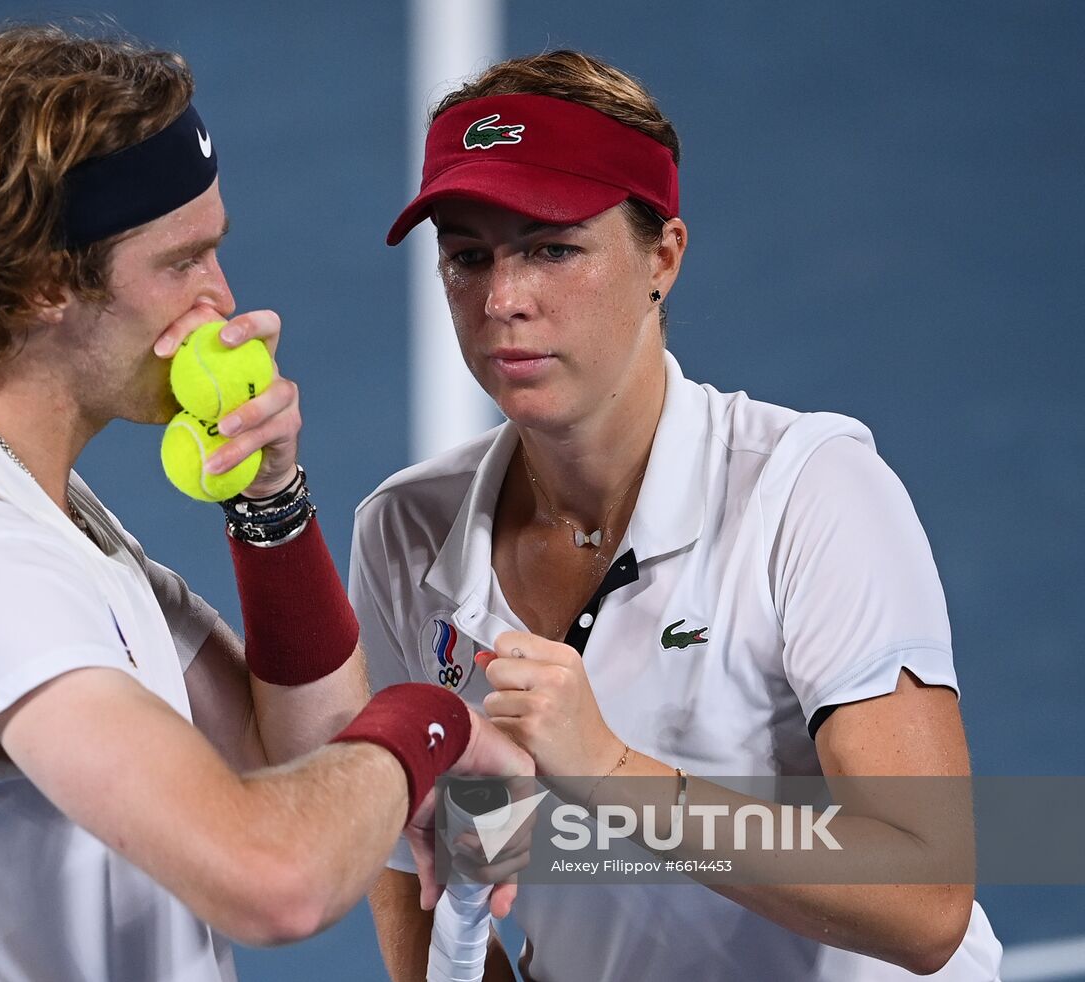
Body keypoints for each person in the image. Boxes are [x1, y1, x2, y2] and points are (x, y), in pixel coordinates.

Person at [0, 23, 530, 981]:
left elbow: (298, 762)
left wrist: (269, 500)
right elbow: (275, 877)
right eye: (183, 261)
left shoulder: (55, 522)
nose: (220, 298)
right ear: (44, 283)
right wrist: (435, 725)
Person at [353, 51, 1003, 980]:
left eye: (552, 247)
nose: (503, 299)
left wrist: (611, 773)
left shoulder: (811, 493)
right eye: (468, 255)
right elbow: (408, 867)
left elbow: (928, 902)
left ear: (663, 256)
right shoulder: (403, 531)